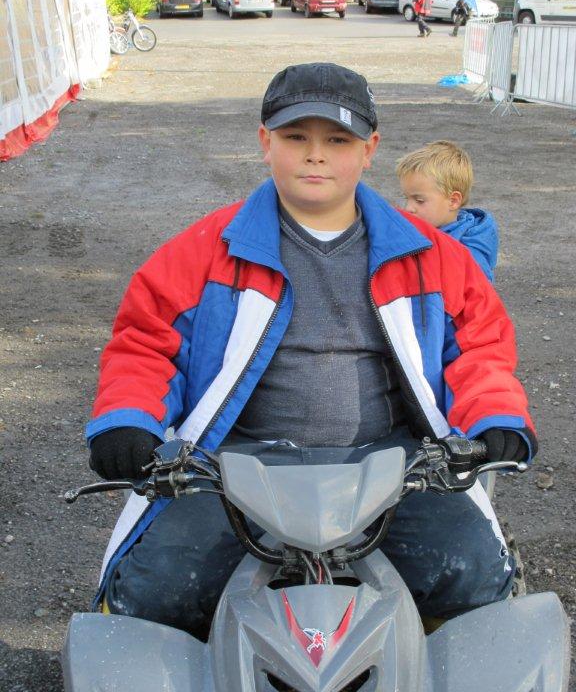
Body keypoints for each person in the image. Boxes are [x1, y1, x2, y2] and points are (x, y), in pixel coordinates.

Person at [86, 62, 536, 638]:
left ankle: (422, 651)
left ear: (369, 150)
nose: (315, 155)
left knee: (472, 577)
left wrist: (494, 418)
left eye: (338, 140)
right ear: (265, 142)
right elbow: (145, 346)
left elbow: (479, 350)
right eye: (296, 136)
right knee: (156, 589)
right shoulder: (200, 250)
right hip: (233, 463)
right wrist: (128, 419)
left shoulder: (433, 256)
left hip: (395, 462)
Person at [396, 139, 498, 282]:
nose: (408, 208)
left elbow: (480, 293)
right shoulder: (415, 229)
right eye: (406, 198)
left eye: (419, 201)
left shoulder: (469, 255)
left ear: (453, 201)